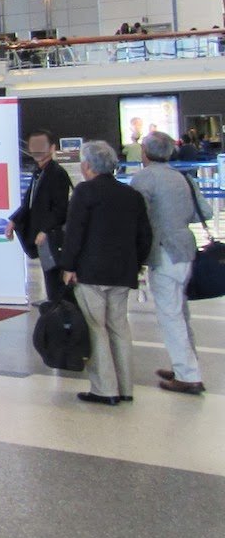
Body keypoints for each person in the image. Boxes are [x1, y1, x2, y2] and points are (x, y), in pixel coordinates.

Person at [57, 140, 152, 406]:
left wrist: (68, 265)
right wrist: (137, 262)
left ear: (87, 166)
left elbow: (75, 233)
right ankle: (125, 387)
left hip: (91, 272)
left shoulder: (85, 193)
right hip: (122, 272)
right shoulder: (131, 194)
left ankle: (104, 389)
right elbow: (144, 235)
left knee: (95, 328)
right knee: (120, 327)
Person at [129, 132, 208, 394]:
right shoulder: (182, 177)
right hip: (185, 248)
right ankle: (186, 365)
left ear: (146, 153)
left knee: (169, 314)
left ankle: (188, 375)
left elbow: (137, 216)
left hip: (163, 251)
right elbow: (204, 212)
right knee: (180, 312)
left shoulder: (144, 178)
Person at [5, 129, 72, 303]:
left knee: (54, 277)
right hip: (42, 234)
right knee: (49, 274)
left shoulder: (57, 174)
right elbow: (29, 202)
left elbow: (60, 208)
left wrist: (45, 230)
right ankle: (55, 309)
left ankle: (59, 313)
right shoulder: (39, 172)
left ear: (52, 148)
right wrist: (14, 220)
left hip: (52, 237)